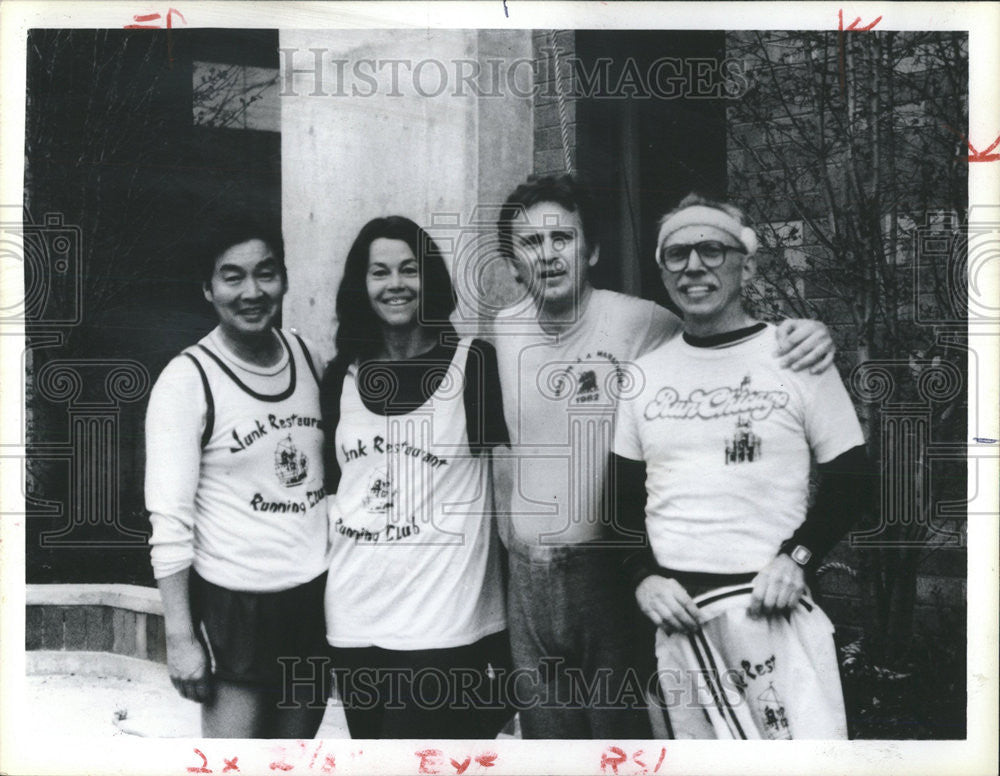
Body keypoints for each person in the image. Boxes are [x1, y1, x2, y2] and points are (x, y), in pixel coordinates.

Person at [490, 175, 838, 739]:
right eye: (530, 243)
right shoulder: (503, 329)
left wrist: (809, 335)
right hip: (527, 578)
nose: (548, 255)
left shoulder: (643, 322)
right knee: (547, 744)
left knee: (621, 740)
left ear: (592, 250)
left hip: (607, 571)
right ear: (512, 263)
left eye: (563, 239)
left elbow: (724, 338)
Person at [612, 193, 870, 739]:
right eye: (676, 254)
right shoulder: (642, 376)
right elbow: (619, 502)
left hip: (773, 608)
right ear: (662, 270)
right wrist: (642, 578)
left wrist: (797, 557)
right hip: (679, 619)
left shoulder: (797, 357)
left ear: (746, 264)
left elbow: (855, 481)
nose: (694, 266)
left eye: (712, 249)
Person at [319, 216, 512, 739]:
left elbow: (510, 500)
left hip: (445, 625)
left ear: (430, 279)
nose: (395, 284)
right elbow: (335, 495)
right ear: (361, 285)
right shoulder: (342, 375)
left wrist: (510, 643)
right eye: (379, 272)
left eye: (409, 269)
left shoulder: (474, 366)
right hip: (355, 620)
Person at [145, 222, 330, 738]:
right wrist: (180, 636)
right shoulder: (188, 379)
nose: (252, 292)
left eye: (265, 274)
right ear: (208, 288)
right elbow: (169, 520)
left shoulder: (307, 357)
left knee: (292, 759)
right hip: (236, 604)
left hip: (310, 598)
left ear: (285, 280)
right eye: (232, 278)